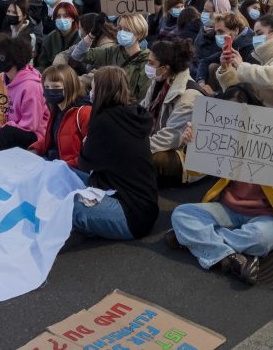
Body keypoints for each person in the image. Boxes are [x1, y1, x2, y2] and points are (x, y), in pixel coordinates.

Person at [168, 150, 273, 285]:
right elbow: (194, 171)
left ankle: (197, 238)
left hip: (266, 216)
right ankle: (231, 257)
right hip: (228, 208)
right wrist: (192, 147)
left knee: (260, 239)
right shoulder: (233, 136)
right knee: (182, 213)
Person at [72, 66, 159, 241]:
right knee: (66, 175)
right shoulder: (133, 113)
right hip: (141, 205)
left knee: (65, 203)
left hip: (129, 214)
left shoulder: (105, 121)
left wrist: (86, 142)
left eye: (94, 88)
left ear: (102, 91)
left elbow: (85, 162)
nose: (91, 92)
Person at [140, 38, 201, 184]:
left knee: (152, 159)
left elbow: (170, 138)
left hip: (184, 154)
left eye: (151, 62)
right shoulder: (159, 82)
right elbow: (142, 110)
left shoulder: (188, 96)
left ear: (165, 68)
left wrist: (135, 147)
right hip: (162, 141)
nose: (147, 66)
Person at [71, 12, 151, 102]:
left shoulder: (146, 61)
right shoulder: (112, 52)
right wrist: (92, 33)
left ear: (139, 33)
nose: (122, 32)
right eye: (120, 28)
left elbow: (144, 98)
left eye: (127, 30)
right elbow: (78, 55)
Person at [30, 64, 92, 166]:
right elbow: (52, 140)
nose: (50, 90)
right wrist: (34, 149)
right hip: (52, 164)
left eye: (56, 87)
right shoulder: (56, 109)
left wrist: (63, 166)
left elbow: (91, 153)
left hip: (71, 171)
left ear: (70, 86)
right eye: (46, 87)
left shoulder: (84, 112)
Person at [35, 1, 80, 69]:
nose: (61, 19)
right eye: (58, 16)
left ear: (73, 18)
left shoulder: (81, 37)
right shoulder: (49, 38)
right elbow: (42, 64)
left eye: (65, 16)